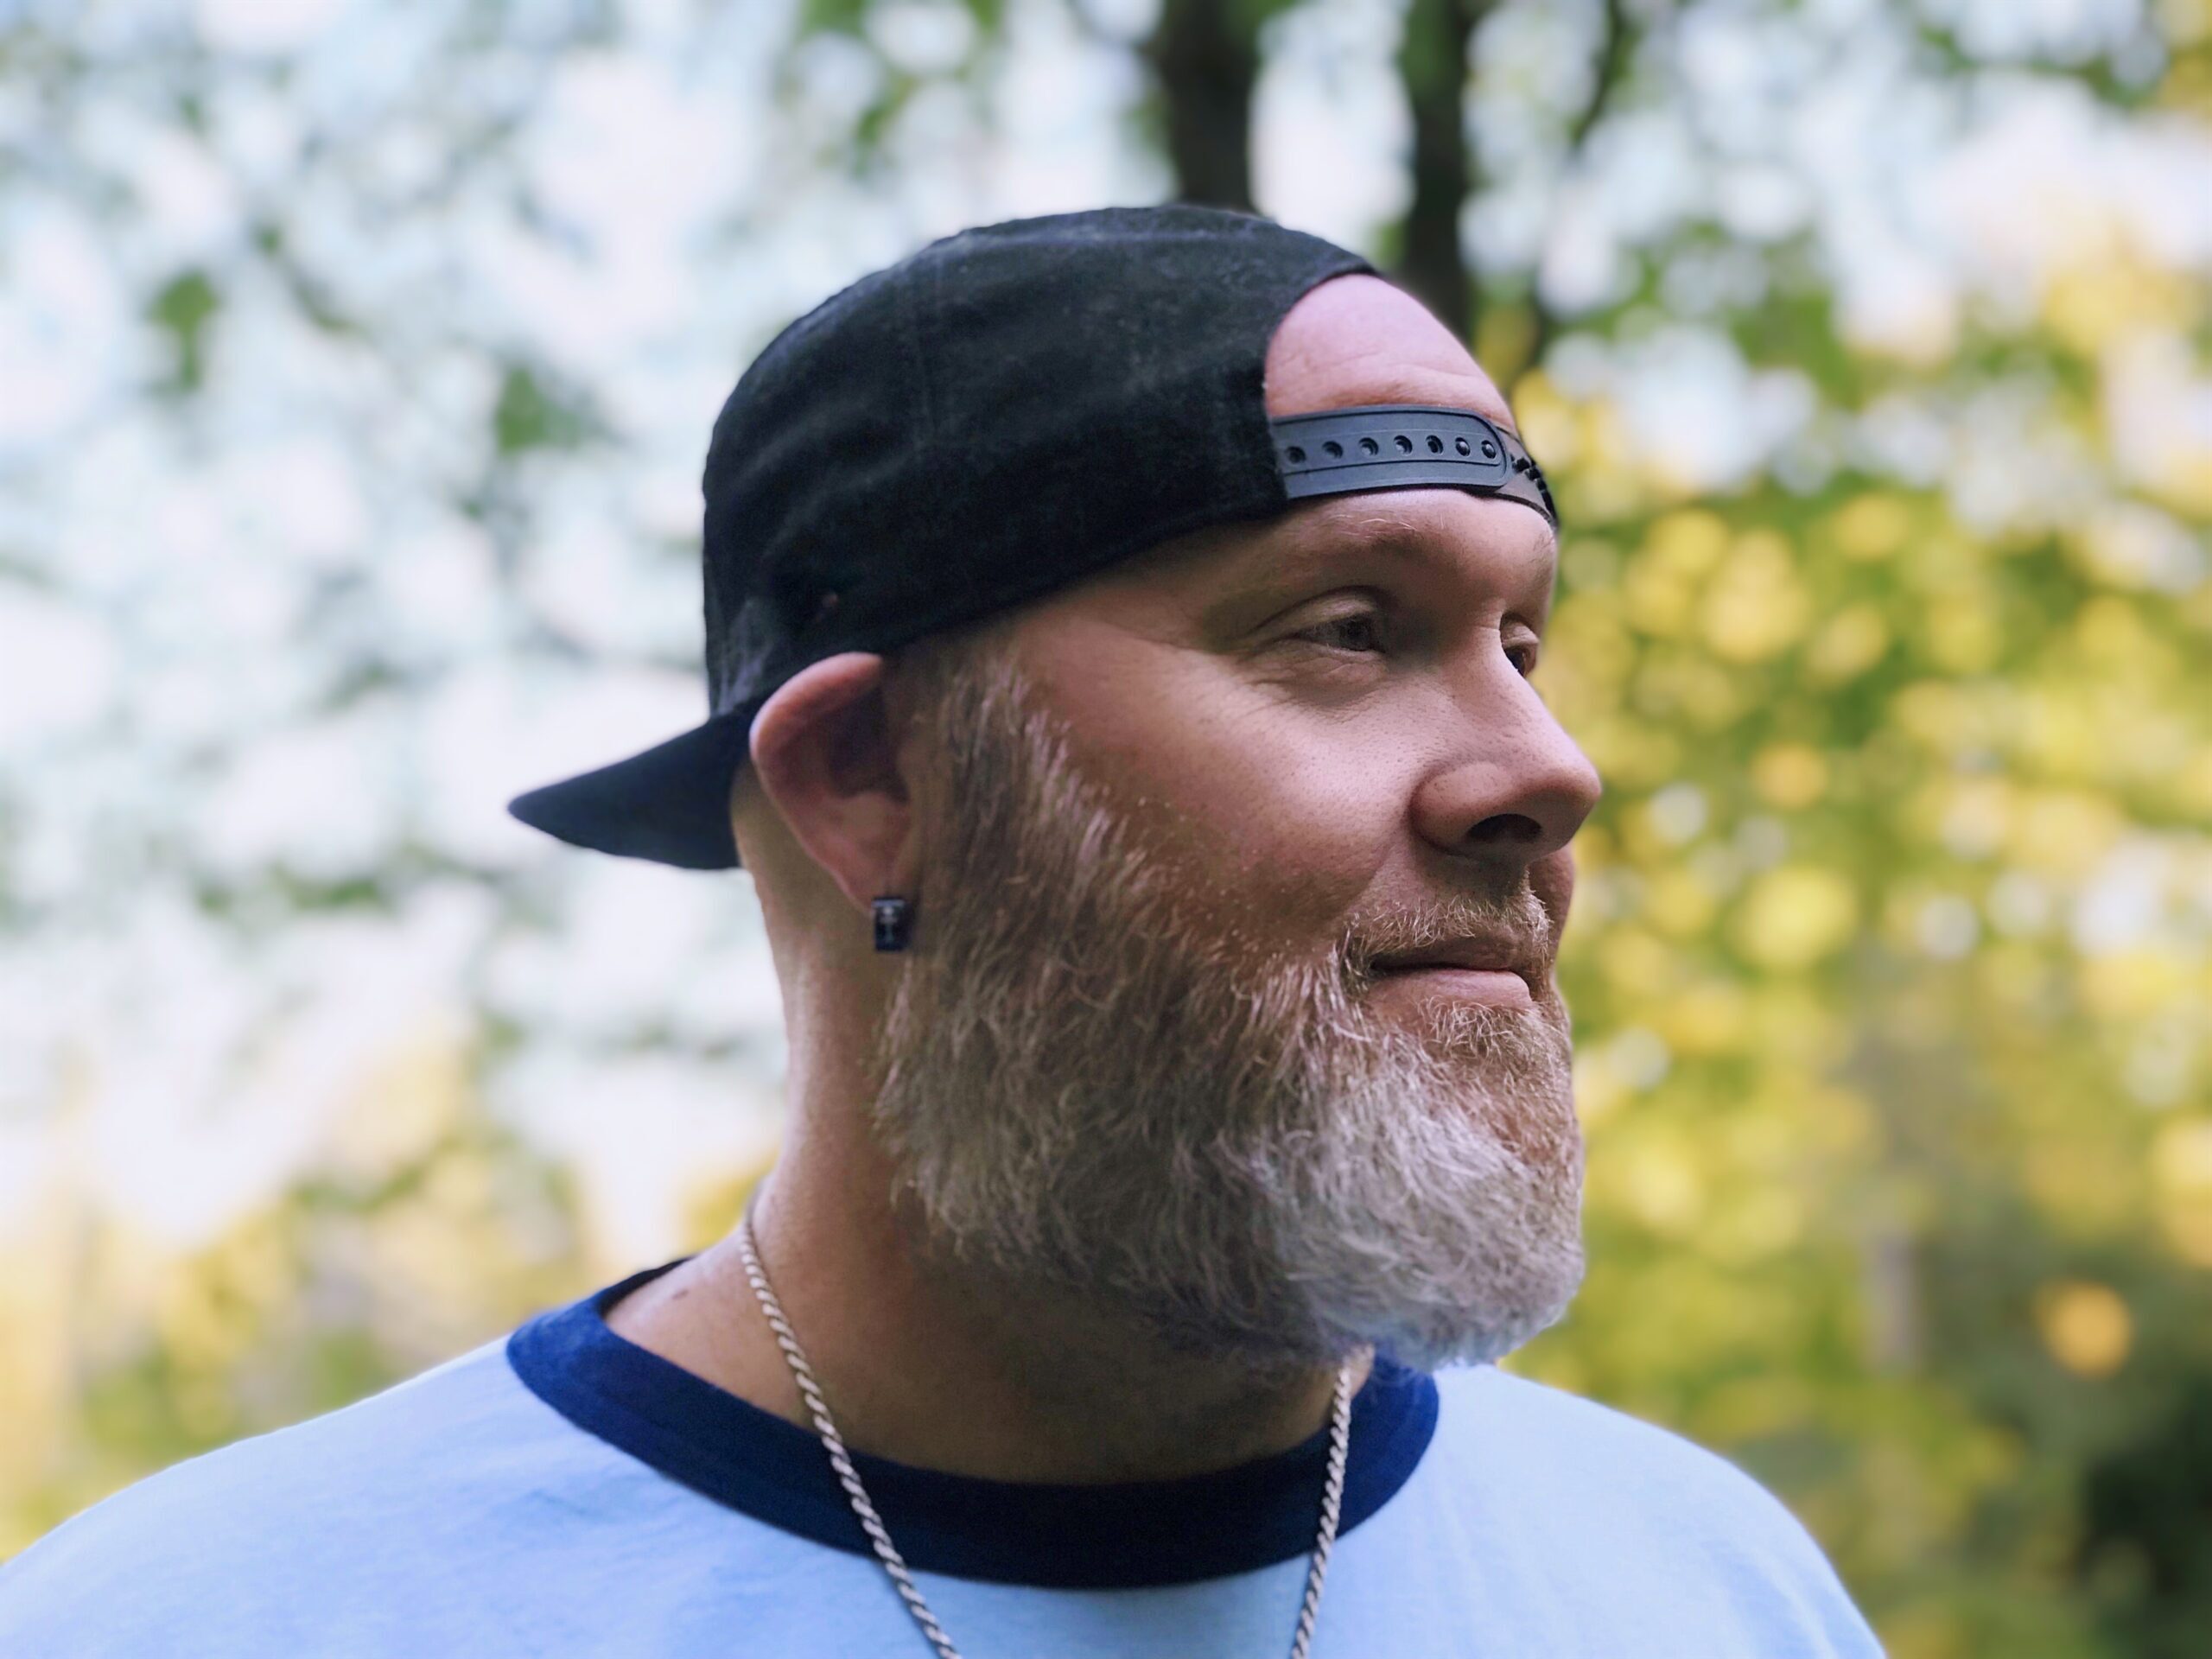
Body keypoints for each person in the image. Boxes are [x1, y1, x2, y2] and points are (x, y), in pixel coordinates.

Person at [0, 205, 1885, 1656]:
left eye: (1521, 645)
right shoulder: (204, 1621)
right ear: (869, 777)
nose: (1544, 768)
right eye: (1345, 632)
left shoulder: (1708, 1588)